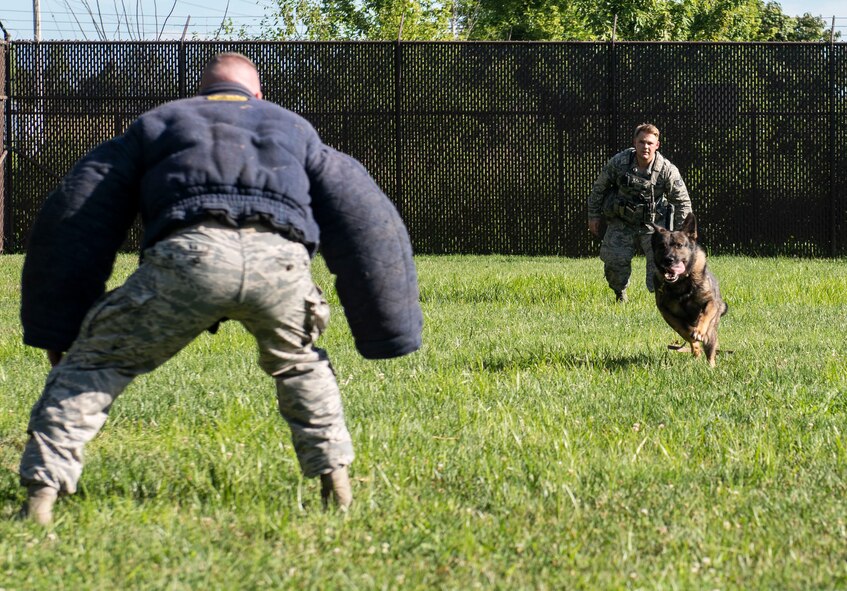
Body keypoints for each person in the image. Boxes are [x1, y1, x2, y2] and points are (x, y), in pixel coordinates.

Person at [17, 52, 423, 524]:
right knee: (300, 366)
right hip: (283, 266)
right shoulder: (292, 127)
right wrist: (388, 330)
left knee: (98, 363)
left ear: (201, 93)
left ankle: (41, 501)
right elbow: (367, 218)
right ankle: (338, 489)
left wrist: (59, 328)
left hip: (191, 256)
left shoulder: (160, 123)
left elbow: (77, 212)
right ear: (258, 94)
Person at [587, 123, 692, 302]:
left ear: (657, 145)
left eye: (650, 143)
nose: (646, 147)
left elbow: (682, 202)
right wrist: (593, 215)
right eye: (642, 142)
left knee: (662, 264)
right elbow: (599, 188)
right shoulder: (619, 162)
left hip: (654, 226)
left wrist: (681, 234)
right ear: (634, 143)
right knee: (614, 262)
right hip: (621, 221)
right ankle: (620, 295)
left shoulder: (667, 170)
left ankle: (660, 300)